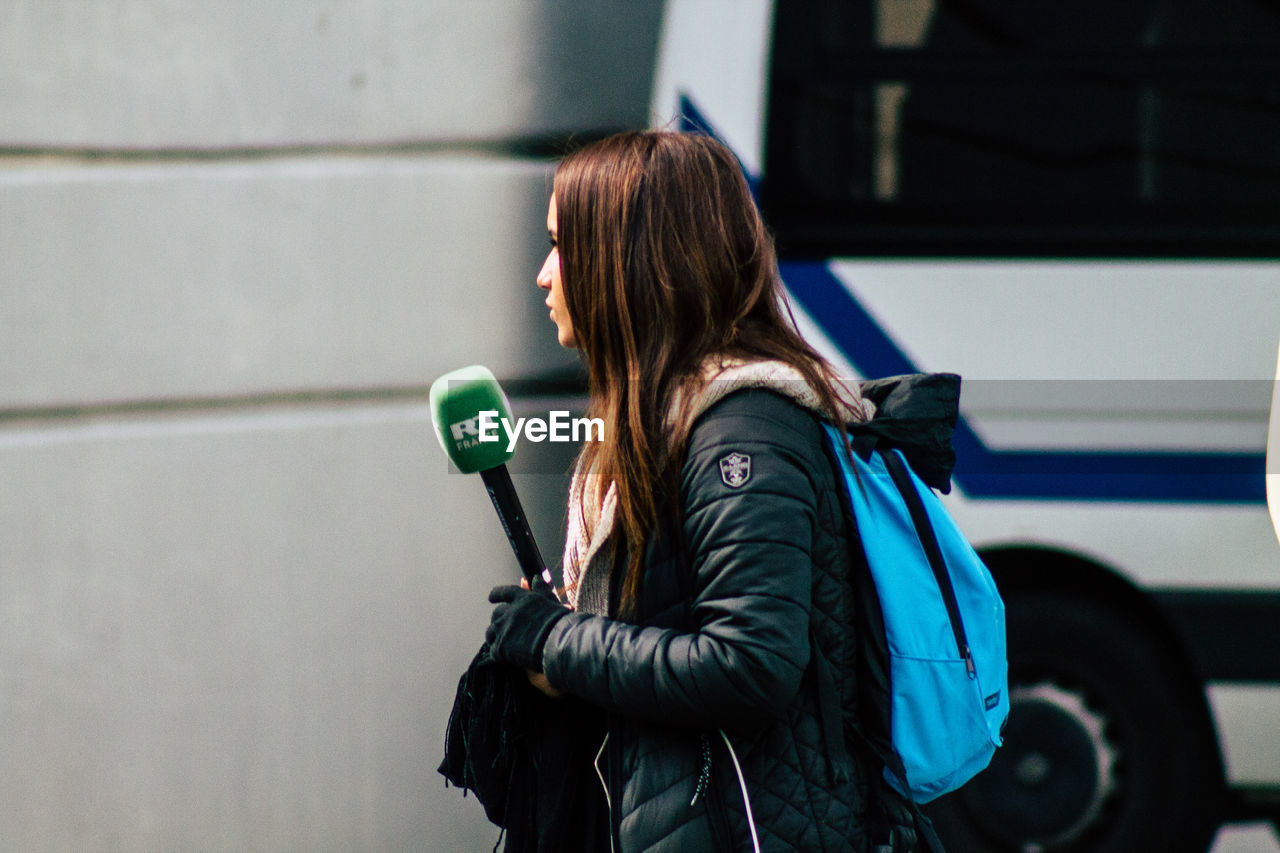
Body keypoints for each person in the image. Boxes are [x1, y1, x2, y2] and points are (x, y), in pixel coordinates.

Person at [479, 130, 877, 852]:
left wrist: (557, 640)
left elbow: (750, 664)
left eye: (562, 246)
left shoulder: (741, 434)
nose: (543, 275)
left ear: (630, 262)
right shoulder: (666, 424)